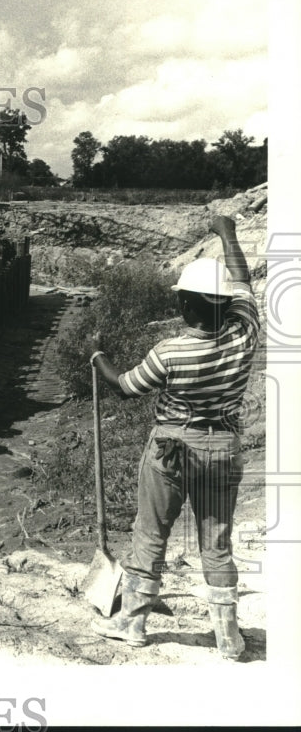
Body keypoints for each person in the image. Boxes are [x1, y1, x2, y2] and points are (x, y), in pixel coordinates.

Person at [87, 214, 259, 661]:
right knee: (216, 541)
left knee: (150, 533)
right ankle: (227, 637)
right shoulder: (245, 330)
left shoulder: (170, 352)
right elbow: (242, 281)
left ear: (186, 307)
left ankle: (133, 622)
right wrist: (228, 234)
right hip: (222, 447)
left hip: (172, 448)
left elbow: (124, 386)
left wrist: (98, 354)